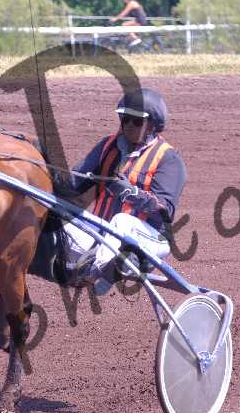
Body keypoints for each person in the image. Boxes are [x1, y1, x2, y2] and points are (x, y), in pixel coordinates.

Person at [62, 87, 186, 295]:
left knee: (122, 220)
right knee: (57, 217)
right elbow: (74, 183)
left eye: (136, 121)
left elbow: (165, 212)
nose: (128, 125)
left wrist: (130, 192)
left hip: (150, 240)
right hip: (104, 234)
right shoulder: (107, 146)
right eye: (125, 118)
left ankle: (97, 272)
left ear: (152, 125)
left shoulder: (169, 159)